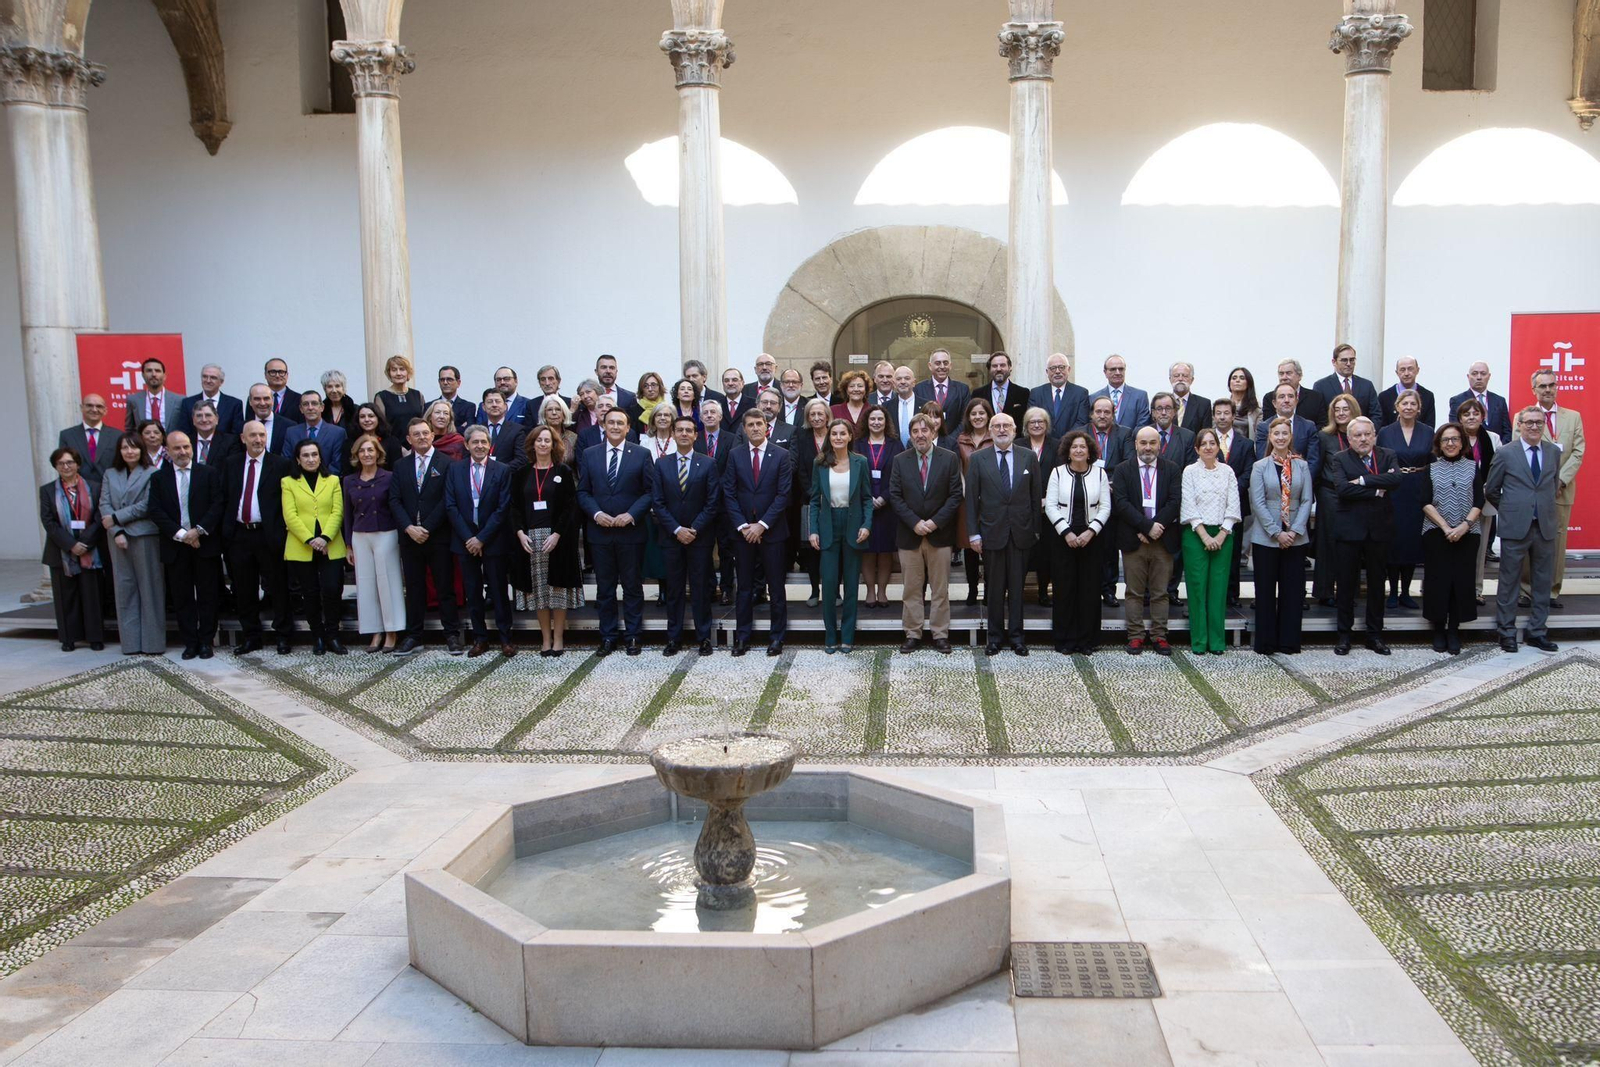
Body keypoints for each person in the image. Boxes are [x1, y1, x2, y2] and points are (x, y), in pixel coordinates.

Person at [1486, 407, 1561, 654]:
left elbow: (1551, 484)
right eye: (1528, 422)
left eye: (1539, 422)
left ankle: (1537, 632)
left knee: (1542, 581)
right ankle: (1506, 632)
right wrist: (1509, 510)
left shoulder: (1552, 452)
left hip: (1545, 526)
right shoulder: (1506, 453)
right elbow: (1491, 489)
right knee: (1509, 581)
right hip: (1515, 526)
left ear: (1544, 425)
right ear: (1519, 425)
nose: (1534, 427)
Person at [966, 413, 1042, 656]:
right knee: (994, 589)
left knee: (1018, 589)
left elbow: (1034, 497)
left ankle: (1018, 638)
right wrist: (973, 534)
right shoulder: (978, 459)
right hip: (991, 533)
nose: (1001, 429)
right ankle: (995, 638)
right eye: (996, 426)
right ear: (989, 430)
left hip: (1021, 534)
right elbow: (971, 501)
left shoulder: (1028, 457)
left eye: (1006, 425)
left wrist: (1036, 531)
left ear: (1015, 429)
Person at [578, 408, 652, 655]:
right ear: (603, 425)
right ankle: (608, 636)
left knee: (632, 587)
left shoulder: (641, 454)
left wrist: (631, 514)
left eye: (620, 423)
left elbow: (649, 492)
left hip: (630, 532)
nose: (616, 427)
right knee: (605, 588)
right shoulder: (590, 454)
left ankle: (633, 636)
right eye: (611, 422)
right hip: (600, 532)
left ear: (628, 427)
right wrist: (597, 514)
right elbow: (583, 492)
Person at [888, 413, 962, 654]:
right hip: (910, 535)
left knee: (940, 589)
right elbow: (895, 496)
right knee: (911, 588)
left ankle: (940, 634)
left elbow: (955, 495)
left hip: (939, 535)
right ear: (910, 436)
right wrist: (915, 523)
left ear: (933, 432)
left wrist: (934, 523)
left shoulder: (949, 458)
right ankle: (913, 633)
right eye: (915, 431)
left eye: (924, 430)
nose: (920, 435)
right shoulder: (900, 460)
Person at [389, 417, 463, 655]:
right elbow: (394, 500)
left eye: (425, 433)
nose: (422, 437)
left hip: (438, 535)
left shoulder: (447, 463)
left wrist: (428, 527)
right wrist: (409, 528)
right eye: (416, 434)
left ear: (432, 435)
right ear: (409, 439)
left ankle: (452, 634)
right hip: (410, 538)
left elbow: (448, 499)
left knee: (445, 587)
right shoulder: (400, 466)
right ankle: (413, 635)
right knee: (414, 588)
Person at [1329, 416, 1402, 655]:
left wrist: (1362, 480)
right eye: (1357, 435)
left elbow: (1396, 479)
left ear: (1374, 436)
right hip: (1349, 531)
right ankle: (1344, 635)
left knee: (1377, 584)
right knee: (1347, 585)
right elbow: (1342, 489)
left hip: (1379, 529)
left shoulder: (1387, 454)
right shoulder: (1339, 458)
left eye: (1367, 434)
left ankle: (1375, 634)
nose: (1363, 439)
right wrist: (1375, 490)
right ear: (1349, 438)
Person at [151, 431, 224, 659]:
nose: (182, 452)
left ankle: (206, 641)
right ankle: (190, 642)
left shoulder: (208, 473)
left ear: (192, 448)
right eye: (177, 448)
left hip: (204, 544)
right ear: (168, 451)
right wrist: (183, 534)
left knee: (207, 595)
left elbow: (218, 503)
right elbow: (155, 510)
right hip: (176, 546)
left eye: (186, 447)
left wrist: (198, 531)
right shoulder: (159, 478)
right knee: (182, 597)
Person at [652, 415, 720, 657]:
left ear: (695, 435)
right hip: (671, 538)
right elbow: (658, 503)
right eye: (679, 430)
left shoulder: (708, 463)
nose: (683, 434)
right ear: (673, 434)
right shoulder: (662, 464)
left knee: (701, 590)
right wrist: (677, 530)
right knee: (674, 590)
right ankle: (674, 637)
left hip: (699, 538)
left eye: (688, 430)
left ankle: (704, 637)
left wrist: (694, 529)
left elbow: (713, 502)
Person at [725, 408, 791, 656]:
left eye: (759, 423)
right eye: (750, 424)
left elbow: (783, 494)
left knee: (775, 587)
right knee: (743, 587)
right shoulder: (735, 455)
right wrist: (744, 526)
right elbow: (729, 493)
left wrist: (761, 525)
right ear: (744, 429)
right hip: (742, 533)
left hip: (771, 532)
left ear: (767, 427)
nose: (754, 428)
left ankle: (776, 638)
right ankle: (742, 637)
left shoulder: (781, 455)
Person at [445, 426, 515, 657]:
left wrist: (482, 538)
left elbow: (503, 507)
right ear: (466, 445)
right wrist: (470, 538)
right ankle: (480, 638)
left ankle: (506, 638)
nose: (479, 446)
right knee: (473, 593)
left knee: (498, 591)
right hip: (465, 541)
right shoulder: (454, 470)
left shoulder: (502, 470)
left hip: (493, 540)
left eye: (483, 442)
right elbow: (451, 506)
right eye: (474, 442)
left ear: (490, 445)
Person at [224, 420, 293, 654]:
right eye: (252, 435)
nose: (258, 440)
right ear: (243, 438)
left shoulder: (280, 464)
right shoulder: (231, 464)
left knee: (278, 587)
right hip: (239, 535)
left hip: (268, 534)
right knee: (244, 589)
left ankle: (283, 635)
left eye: (262, 435)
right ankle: (251, 636)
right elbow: (225, 499)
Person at [1112, 427, 1181, 655]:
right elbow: (1121, 503)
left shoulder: (1171, 469)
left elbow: (1174, 501)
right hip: (1134, 540)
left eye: (1152, 442)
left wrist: (1154, 527)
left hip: (1163, 539)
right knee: (1134, 592)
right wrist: (1145, 527)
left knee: (1160, 592)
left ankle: (1160, 636)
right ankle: (1135, 636)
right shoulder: (1123, 470)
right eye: (1143, 443)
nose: (1148, 447)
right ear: (1136, 445)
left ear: (1159, 445)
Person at [514, 425, 582, 656]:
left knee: (557, 591)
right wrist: (520, 533)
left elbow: (570, 507)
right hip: (530, 538)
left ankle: (559, 638)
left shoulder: (562, 472)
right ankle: (545, 639)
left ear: (554, 445)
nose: (543, 444)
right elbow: (513, 507)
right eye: (539, 440)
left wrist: (557, 534)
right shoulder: (521, 473)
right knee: (539, 592)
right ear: (532, 444)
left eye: (547, 441)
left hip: (557, 538)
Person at [807, 418, 871, 652]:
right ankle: (830, 636)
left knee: (852, 584)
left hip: (853, 524)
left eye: (842, 434)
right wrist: (812, 530)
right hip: (828, 523)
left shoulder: (860, 462)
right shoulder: (821, 463)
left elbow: (867, 498)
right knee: (830, 583)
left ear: (850, 436)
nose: (838, 438)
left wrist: (867, 525)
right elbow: (814, 500)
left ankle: (847, 636)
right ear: (829, 437)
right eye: (834, 434)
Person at [1248, 417, 1311, 655]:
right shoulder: (1260, 466)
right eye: (1277, 434)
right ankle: (1266, 643)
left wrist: (1294, 530)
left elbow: (1306, 499)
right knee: (1265, 591)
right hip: (1266, 537)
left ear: (1290, 436)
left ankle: (1289, 641)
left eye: (1285, 433)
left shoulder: (1302, 466)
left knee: (1292, 592)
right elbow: (1258, 502)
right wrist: (1276, 532)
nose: (1281, 438)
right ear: (1270, 437)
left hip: (1296, 537)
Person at [1043, 430, 1109, 654]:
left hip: (1092, 538)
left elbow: (1106, 507)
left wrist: (1091, 531)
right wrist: (1067, 532)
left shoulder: (1100, 474)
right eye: (1074, 447)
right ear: (1068, 452)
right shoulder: (1057, 473)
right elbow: (1050, 505)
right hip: (1064, 538)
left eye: (1083, 447)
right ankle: (1065, 640)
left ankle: (1087, 640)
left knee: (1089, 590)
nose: (1079, 450)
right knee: (1064, 589)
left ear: (1089, 451)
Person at [1420, 423, 1483, 654]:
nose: (1450, 444)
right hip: (1437, 532)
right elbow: (1425, 501)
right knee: (1438, 581)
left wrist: (1464, 526)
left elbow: (1479, 501)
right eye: (1446, 440)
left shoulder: (1472, 467)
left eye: (1455, 439)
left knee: (1461, 581)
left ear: (1462, 443)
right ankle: (1438, 629)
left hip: (1468, 533)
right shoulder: (1431, 468)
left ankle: (1454, 630)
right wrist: (1447, 527)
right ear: (1439, 443)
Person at [100, 433, 164, 654]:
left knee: (150, 589)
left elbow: (147, 505)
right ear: (119, 451)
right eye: (125, 447)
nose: (130, 451)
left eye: (134, 447)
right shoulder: (110, 474)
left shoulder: (152, 472)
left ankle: (152, 643)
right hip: (117, 538)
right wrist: (116, 530)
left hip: (144, 536)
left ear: (142, 450)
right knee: (125, 590)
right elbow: (104, 504)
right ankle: (130, 643)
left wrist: (117, 518)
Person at [282, 439, 347, 655]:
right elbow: (290, 515)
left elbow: (338, 512)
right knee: (309, 593)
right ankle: (317, 635)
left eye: (314, 455)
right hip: (302, 545)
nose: (311, 459)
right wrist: (311, 539)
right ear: (298, 460)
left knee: (331, 589)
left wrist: (325, 538)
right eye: (306, 456)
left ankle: (332, 634)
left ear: (320, 457)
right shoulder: (288, 482)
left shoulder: (333, 480)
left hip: (331, 543)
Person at [1180, 428, 1241, 655]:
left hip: (1223, 535)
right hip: (1196, 534)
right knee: (1197, 589)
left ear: (1218, 447)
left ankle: (1216, 642)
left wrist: (1222, 534)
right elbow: (1188, 505)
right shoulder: (1189, 471)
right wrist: (1205, 535)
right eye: (1203, 443)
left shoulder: (1227, 472)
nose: (1208, 447)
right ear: (1197, 448)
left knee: (1218, 590)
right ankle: (1199, 641)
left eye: (1212, 443)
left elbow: (1233, 505)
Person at [1527, 369, 1585, 607]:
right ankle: (1526, 590)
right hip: (1531, 491)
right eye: (1543, 386)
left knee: (1557, 542)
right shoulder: (1524, 415)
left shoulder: (1573, 417)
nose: (1548, 390)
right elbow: (1519, 453)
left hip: (1561, 490)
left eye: (1552, 385)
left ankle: (1551, 590)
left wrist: (1560, 481)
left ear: (1557, 387)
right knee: (1528, 538)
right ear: (1534, 390)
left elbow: (1578, 452)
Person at [343, 433, 405, 653]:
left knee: (388, 583)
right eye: (362, 451)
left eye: (370, 450)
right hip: (360, 535)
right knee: (366, 585)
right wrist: (348, 544)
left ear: (378, 454)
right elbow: (347, 514)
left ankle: (392, 630)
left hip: (386, 533)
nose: (366, 454)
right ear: (356, 455)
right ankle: (374, 631)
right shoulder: (349, 480)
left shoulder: (389, 477)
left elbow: (397, 506)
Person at [40, 447, 105, 651]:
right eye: (61, 463)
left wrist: (84, 543)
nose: (66, 466)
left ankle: (95, 637)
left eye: (69, 462)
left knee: (91, 596)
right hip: (61, 551)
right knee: (65, 596)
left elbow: (99, 517)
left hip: (90, 549)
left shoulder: (94, 487)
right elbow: (48, 522)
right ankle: (69, 638)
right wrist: (71, 545)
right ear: (56, 467)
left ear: (77, 464)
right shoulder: (48, 490)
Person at [1377, 390, 1432, 609]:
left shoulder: (1428, 432)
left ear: (1419, 408)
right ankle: (1392, 591)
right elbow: (1379, 460)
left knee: (1411, 540)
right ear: (1396, 406)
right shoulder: (1385, 432)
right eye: (1404, 403)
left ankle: (1407, 592)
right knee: (1394, 540)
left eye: (1413, 404)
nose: (1408, 407)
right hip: (1393, 490)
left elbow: (1433, 461)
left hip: (1418, 488)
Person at [1079, 396, 1133, 608]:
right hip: (1085, 496)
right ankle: (1088, 589)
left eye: (1107, 412)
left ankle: (1108, 590)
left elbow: (1128, 462)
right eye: (1098, 411)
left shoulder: (1125, 433)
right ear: (1092, 413)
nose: (1102, 416)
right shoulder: (1080, 433)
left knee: (1110, 548)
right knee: (1089, 546)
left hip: (1113, 496)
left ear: (1113, 414)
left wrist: (1110, 483)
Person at [1311, 392, 1360, 605]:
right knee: (1327, 542)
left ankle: (1349, 591)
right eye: (1337, 410)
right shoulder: (1324, 436)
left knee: (1352, 543)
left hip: (1356, 495)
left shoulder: (1360, 435)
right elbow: (1317, 466)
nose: (1341, 413)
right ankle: (1326, 592)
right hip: (1330, 493)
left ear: (1353, 411)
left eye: (1345, 409)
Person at [854, 406, 901, 609]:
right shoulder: (858, 444)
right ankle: (870, 592)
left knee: (885, 551)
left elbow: (899, 477)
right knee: (868, 550)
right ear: (867, 421)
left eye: (880, 419)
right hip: (863, 505)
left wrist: (883, 498)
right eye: (872, 419)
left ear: (886, 421)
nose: (876, 422)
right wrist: (868, 499)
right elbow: (853, 473)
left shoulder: (895, 444)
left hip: (888, 506)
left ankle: (882, 592)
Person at [790, 398, 832, 607]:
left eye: (820, 414)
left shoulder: (835, 434)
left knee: (833, 547)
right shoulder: (801, 435)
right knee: (811, 548)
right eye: (812, 414)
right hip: (809, 501)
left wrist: (829, 495)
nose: (816, 418)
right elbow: (800, 469)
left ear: (827, 416)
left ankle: (835, 592)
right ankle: (814, 590)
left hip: (835, 501)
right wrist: (814, 493)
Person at [1213, 398, 1255, 607]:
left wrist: (1230, 491)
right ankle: (1213, 594)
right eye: (1218, 413)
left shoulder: (1245, 444)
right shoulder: (1207, 441)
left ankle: (1232, 595)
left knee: (1233, 552)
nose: (1222, 417)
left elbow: (1249, 472)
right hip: (1210, 507)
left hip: (1237, 505)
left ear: (1233, 416)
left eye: (1226, 413)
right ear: (1214, 416)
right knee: (1214, 552)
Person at [1455, 397, 1498, 604]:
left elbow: (1499, 471)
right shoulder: (1452, 437)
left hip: (1485, 500)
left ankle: (1476, 590)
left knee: (1480, 549)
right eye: (1466, 414)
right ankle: (1455, 588)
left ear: (1483, 416)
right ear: (1459, 418)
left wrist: (1486, 489)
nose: (1471, 417)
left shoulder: (1494, 438)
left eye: (1476, 413)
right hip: (1454, 502)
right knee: (1456, 548)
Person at [955, 397, 996, 606]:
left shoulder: (995, 437)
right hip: (967, 501)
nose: (978, 417)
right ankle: (972, 589)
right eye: (974, 414)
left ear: (989, 415)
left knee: (989, 547)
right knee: (970, 547)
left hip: (991, 502)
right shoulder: (960, 440)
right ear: (968, 417)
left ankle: (990, 590)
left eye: (982, 413)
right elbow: (957, 469)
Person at [1021, 407, 1059, 605]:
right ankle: (1017, 593)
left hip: (1048, 510)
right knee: (1023, 553)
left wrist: (1048, 499)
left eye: (1040, 422)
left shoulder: (1057, 446)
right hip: (1023, 510)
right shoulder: (1018, 445)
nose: (1036, 425)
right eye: (1032, 422)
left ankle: (1044, 592)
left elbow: (1061, 475)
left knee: (1046, 553)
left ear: (1047, 425)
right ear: (1026, 426)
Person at [639, 403, 677, 594]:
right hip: (650, 503)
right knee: (655, 550)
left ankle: (672, 588)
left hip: (674, 504)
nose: (663, 418)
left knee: (671, 549)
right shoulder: (644, 442)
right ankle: (662, 588)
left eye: (667, 415)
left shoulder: (679, 441)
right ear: (653, 419)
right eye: (659, 415)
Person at [1254, 383, 1322, 471]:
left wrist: (1303, 480)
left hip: (1302, 480)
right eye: (1282, 397)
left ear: (1296, 401)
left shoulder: (1308, 426)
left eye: (1290, 396)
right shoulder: (1263, 427)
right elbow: (1262, 458)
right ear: (1274, 403)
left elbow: (1313, 461)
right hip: (1272, 480)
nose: (1286, 400)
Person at [283, 390, 348, 474]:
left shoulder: (338, 433)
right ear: (301, 409)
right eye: (306, 404)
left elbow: (337, 464)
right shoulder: (291, 432)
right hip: (298, 483)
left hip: (327, 483)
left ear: (322, 407)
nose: (310, 408)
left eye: (314, 403)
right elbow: (288, 462)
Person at [1448, 361, 1513, 443]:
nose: (1479, 377)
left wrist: (1499, 450)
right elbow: (1455, 429)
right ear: (1468, 376)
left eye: (1483, 373)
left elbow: (1507, 431)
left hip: (1497, 451)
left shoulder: (1499, 401)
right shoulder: (1457, 400)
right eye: (1474, 374)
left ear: (1489, 376)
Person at [60, 393, 118, 484]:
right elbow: (63, 464)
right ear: (81, 408)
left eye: (99, 406)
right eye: (89, 405)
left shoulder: (117, 435)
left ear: (105, 410)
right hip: (78, 489)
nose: (94, 410)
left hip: (109, 490)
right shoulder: (67, 435)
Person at [1030, 353, 1090, 439]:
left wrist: (1065, 440)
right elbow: (1032, 420)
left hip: (1069, 444)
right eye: (1053, 368)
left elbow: (1082, 422)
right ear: (1047, 372)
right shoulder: (1036, 393)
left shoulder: (1080, 393)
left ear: (1068, 369)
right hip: (1044, 444)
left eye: (1061, 367)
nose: (1057, 371)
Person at [1314, 343, 1380, 419]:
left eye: (1352, 360)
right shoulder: (1321, 386)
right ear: (1334, 362)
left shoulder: (1366, 385)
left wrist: (1367, 429)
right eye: (1344, 360)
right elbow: (1319, 417)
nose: (1348, 364)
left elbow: (1376, 414)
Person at [176, 363, 244, 437]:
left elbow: (236, 435)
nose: (208, 381)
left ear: (221, 382)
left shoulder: (234, 404)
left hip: (225, 447)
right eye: (205, 377)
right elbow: (184, 433)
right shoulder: (188, 403)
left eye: (213, 377)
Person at [914, 348, 971, 430]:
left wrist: (951, 440)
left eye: (945, 363)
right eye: (937, 363)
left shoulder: (962, 389)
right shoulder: (918, 389)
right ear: (930, 366)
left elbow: (965, 419)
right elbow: (917, 418)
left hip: (954, 440)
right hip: (928, 440)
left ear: (950, 366)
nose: (942, 366)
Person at [1089, 354, 1150, 430]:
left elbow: (1142, 425)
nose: (1117, 372)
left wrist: (1127, 439)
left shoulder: (1140, 396)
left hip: (1131, 440)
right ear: (1105, 372)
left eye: (1121, 369)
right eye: (1113, 369)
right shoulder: (1093, 398)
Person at [1378, 356, 1436, 427]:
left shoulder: (1427, 396)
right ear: (1397, 372)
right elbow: (1381, 427)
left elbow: (1430, 427)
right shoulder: (1384, 397)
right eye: (1402, 370)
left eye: (1410, 369)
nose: (1406, 373)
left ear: (1417, 370)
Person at [372, 355, 425, 431]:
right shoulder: (382, 397)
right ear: (389, 373)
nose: (398, 373)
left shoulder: (417, 395)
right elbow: (381, 425)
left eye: (402, 369)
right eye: (394, 370)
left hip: (416, 441)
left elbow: (423, 421)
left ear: (408, 372)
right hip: (393, 441)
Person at [124, 356, 177, 431]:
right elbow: (129, 429)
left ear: (164, 376)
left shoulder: (179, 400)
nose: (154, 374)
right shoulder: (133, 400)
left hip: (170, 441)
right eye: (149, 371)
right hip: (142, 442)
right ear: (143, 375)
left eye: (157, 371)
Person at [344, 403, 401, 473]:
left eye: (371, 416)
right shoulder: (350, 443)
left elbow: (397, 470)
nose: (367, 420)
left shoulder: (392, 442)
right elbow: (346, 471)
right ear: (357, 420)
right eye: (362, 417)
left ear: (378, 418)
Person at [483, 390, 531, 468]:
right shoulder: (477, 430)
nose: (494, 405)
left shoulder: (517, 430)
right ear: (484, 407)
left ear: (505, 406)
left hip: (507, 476)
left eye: (498, 401)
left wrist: (500, 472)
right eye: (490, 402)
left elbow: (521, 459)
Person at [981, 351, 1030, 423]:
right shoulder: (979, 394)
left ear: (1010, 367)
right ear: (989, 369)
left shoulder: (1023, 393)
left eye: (1002, 365)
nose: (998, 369)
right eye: (994, 366)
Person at [189, 400, 238, 467]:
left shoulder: (230, 442)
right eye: (199, 415)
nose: (204, 420)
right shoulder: (186, 442)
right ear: (193, 420)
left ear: (217, 419)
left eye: (208, 415)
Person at [247, 382, 290, 454]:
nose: (262, 403)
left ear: (272, 401)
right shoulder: (242, 427)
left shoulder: (289, 427)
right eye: (257, 399)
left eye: (266, 398)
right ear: (250, 402)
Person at [1169, 362, 1210, 433]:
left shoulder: (1203, 404)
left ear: (1192, 380)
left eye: (1185, 376)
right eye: (1176, 376)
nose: (1180, 379)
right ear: (1170, 379)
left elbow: (1205, 435)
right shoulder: (1161, 403)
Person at [433, 365, 476, 433]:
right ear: (439, 382)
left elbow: (469, 432)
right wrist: (460, 428)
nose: (445, 382)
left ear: (458, 383)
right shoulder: (430, 406)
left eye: (449, 379)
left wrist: (440, 430)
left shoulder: (468, 407)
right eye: (442, 379)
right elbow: (428, 430)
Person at [1226, 366, 1262, 443]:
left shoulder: (1256, 411)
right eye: (1234, 378)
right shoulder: (1221, 407)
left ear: (1249, 383)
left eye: (1242, 378)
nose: (1237, 380)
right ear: (1229, 383)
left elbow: (1259, 436)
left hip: (1246, 450)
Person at [264, 358, 303, 423]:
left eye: (281, 372)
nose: (277, 375)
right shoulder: (256, 398)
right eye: (273, 372)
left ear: (287, 375)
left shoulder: (298, 399)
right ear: (265, 375)